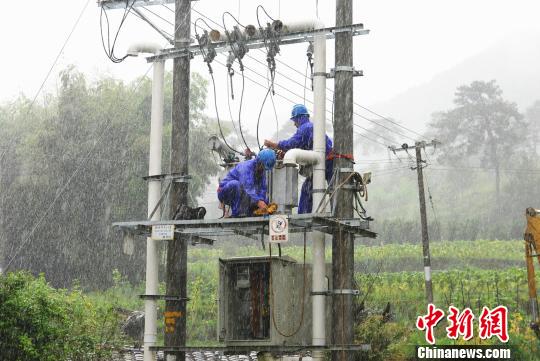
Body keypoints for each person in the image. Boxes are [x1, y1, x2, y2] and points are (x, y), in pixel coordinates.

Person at [264, 104, 333, 213]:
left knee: (310, 190)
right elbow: (301, 147)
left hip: (327, 162)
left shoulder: (305, 128)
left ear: (299, 118)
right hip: (327, 161)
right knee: (331, 189)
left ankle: (304, 216)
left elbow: (292, 144)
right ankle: (333, 212)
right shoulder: (310, 127)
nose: (294, 124)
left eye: (295, 120)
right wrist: (285, 152)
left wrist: (274, 144)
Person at [218, 149, 276, 217]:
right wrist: (258, 202)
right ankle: (237, 213)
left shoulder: (260, 171)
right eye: (263, 167)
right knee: (236, 184)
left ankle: (250, 212)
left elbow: (262, 189)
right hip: (225, 192)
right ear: (259, 162)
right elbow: (248, 188)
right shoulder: (246, 167)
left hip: (242, 194)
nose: (263, 170)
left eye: (265, 169)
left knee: (263, 201)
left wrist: (263, 203)